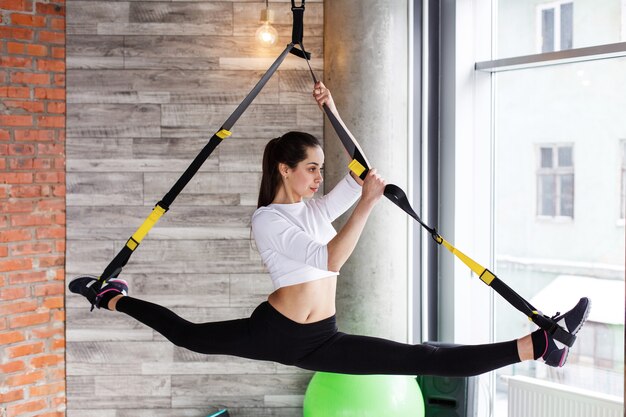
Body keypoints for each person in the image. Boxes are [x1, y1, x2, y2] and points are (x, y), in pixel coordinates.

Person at [69, 82, 590, 377]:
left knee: (421, 357)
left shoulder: (314, 209)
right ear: (284, 170)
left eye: (321, 167)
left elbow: (363, 172)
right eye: (312, 168)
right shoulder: (269, 220)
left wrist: (333, 109)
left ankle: (542, 346)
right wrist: (364, 204)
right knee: (188, 336)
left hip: (321, 336)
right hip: (276, 332)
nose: (320, 176)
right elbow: (332, 259)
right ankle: (111, 296)